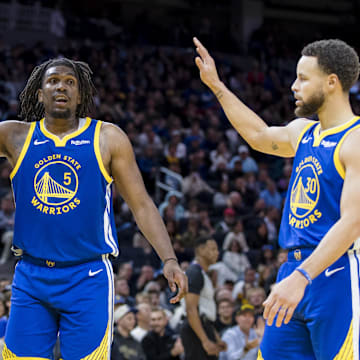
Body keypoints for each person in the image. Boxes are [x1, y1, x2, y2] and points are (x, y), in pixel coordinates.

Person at [1, 58, 187, 359]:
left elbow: (141, 204)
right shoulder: (14, 135)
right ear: (39, 93)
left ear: (81, 94)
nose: (61, 85)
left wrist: (169, 259)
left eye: (70, 82)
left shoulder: (107, 138)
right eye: (53, 81)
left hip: (86, 277)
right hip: (31, 276)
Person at [194, 36, 360, 359]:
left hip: (335, 275)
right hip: (293, 271)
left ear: (331, 82)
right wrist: (216, 86)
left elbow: (353, 222)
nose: (293, 86)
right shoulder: (304, 132)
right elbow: (258, 135)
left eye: (302, 78)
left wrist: (302, 277)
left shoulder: (355, 141)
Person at [181, 235, 227, 359]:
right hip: (195, 329)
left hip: (204, 327)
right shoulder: (194, 272)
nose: (217, 253)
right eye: (213, 249)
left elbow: (205, 310)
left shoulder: (202, 273)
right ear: (201, 250)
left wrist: (215, 337)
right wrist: (205, 340)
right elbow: (190, 309)